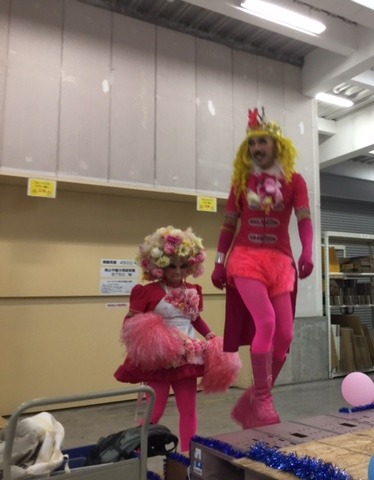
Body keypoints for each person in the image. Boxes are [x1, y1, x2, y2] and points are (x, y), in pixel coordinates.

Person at [211, 107, 314, 429]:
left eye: (262, 142)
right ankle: (265, 400)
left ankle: (254, 398)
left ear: (277, 145)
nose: (257, 149)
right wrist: (219, 262)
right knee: (266, 323)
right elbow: (229, 224)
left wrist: (308, 250)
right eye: (252, 144)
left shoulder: (295, 181)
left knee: (285, 335)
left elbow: (304, 219)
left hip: (280, 262)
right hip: (246, 259)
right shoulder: (242, 182)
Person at [114, 226, 240, 452]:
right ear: (159, 265)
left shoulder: (193, 290)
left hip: (187, 358)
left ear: (192, 265)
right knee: (155, 410)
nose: (178, 271)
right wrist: (148, 332)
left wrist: (211, 337)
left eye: (183, 266)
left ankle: (188, 455)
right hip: (159, 359)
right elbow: (129, 324)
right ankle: (134, 451)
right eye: (172, 265)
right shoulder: (147, 292)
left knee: (188, 410)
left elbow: (195, 319)